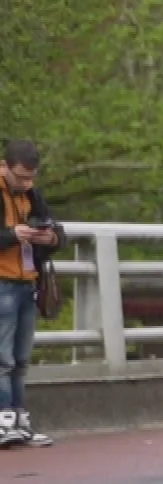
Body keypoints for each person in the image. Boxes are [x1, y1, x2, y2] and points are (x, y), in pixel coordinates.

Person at [0, 139, 62, 448]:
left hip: (27, 282)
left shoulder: (31, 194)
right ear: (4, 167)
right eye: (22, 176)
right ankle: (3, 419)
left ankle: (20, 420)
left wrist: (49, 237)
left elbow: (57, 230)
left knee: (21, 359)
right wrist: (12, 235)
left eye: (32, 177)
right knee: (2, 358)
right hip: (2, 281)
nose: (27, 183)